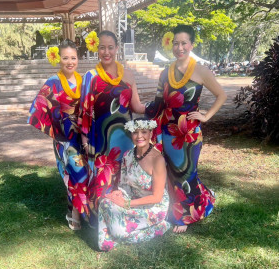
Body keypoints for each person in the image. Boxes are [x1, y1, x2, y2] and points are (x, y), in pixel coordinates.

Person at [146, 24, 227, 233]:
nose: (179, 47)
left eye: (184, 43)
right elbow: (157, 103)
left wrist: (206, 116)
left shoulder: (201, 70)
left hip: (189, 133)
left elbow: (222, 95)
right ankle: (179, 208)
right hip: (167, 131)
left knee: (187, 173)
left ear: (191, 45)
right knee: (172, 173)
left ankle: (186, 216)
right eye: (176, 43)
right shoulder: (165, 72)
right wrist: (137, 111)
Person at [79, 30, 145, 226]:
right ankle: (101, 218)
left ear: (117, 48)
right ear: (96, 49)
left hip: (126, 138)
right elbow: (84, 112)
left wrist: (160, 104)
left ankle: (123, 216)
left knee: (124, 177)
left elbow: (136, 107)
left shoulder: (129, 75)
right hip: (101, 140)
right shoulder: (90, 77)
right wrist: (84, 141)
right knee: (103, 178)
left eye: (110, 47)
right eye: (102, 47)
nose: (106, 52)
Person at [28, 39, 88, 230]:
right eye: (65, 58)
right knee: (77, 173)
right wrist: (56, 132)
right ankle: (76, 214)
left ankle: (81, 211)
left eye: (73, 57)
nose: (70, 62)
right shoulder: (53, 82)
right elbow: (38, 107)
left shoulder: (84, 80)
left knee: (86, 173)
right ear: (58, 59)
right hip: (65, 140)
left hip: (85, 137)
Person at [98, 118, 170, 251]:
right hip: (133, 200)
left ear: (150, 134)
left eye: (144, 132)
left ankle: (160, 227)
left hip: (153, 207)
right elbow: (124, 185)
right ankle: (108, 242)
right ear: (131, 134)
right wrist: (119, 193)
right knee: (105, 203)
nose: (139, 136)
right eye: (135, 132)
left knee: (119, 232)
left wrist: (126, 204)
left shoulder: (157, 160)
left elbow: (157, 198)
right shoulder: (128, 155)